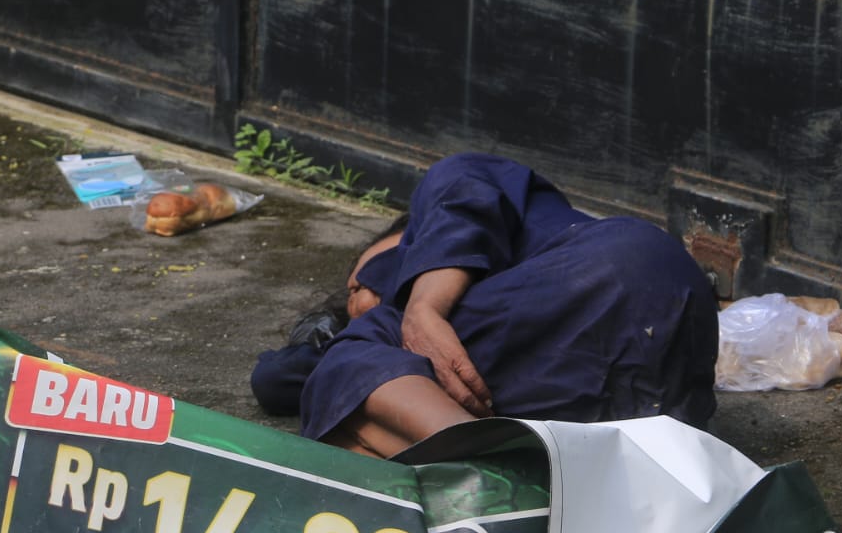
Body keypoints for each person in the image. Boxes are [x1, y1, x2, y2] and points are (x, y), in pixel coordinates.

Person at [250, 153, 718, 457]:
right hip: (649, 393)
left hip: (617, 270)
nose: (357, 296)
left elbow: (460, 178)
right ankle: (507, 467)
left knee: (351, 374)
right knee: (348, 410)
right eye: (348, 297)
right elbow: (276, 380)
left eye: (358, 279)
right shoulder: (422, 330)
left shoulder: (464, 214)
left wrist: (423, 307)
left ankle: (492, 465)